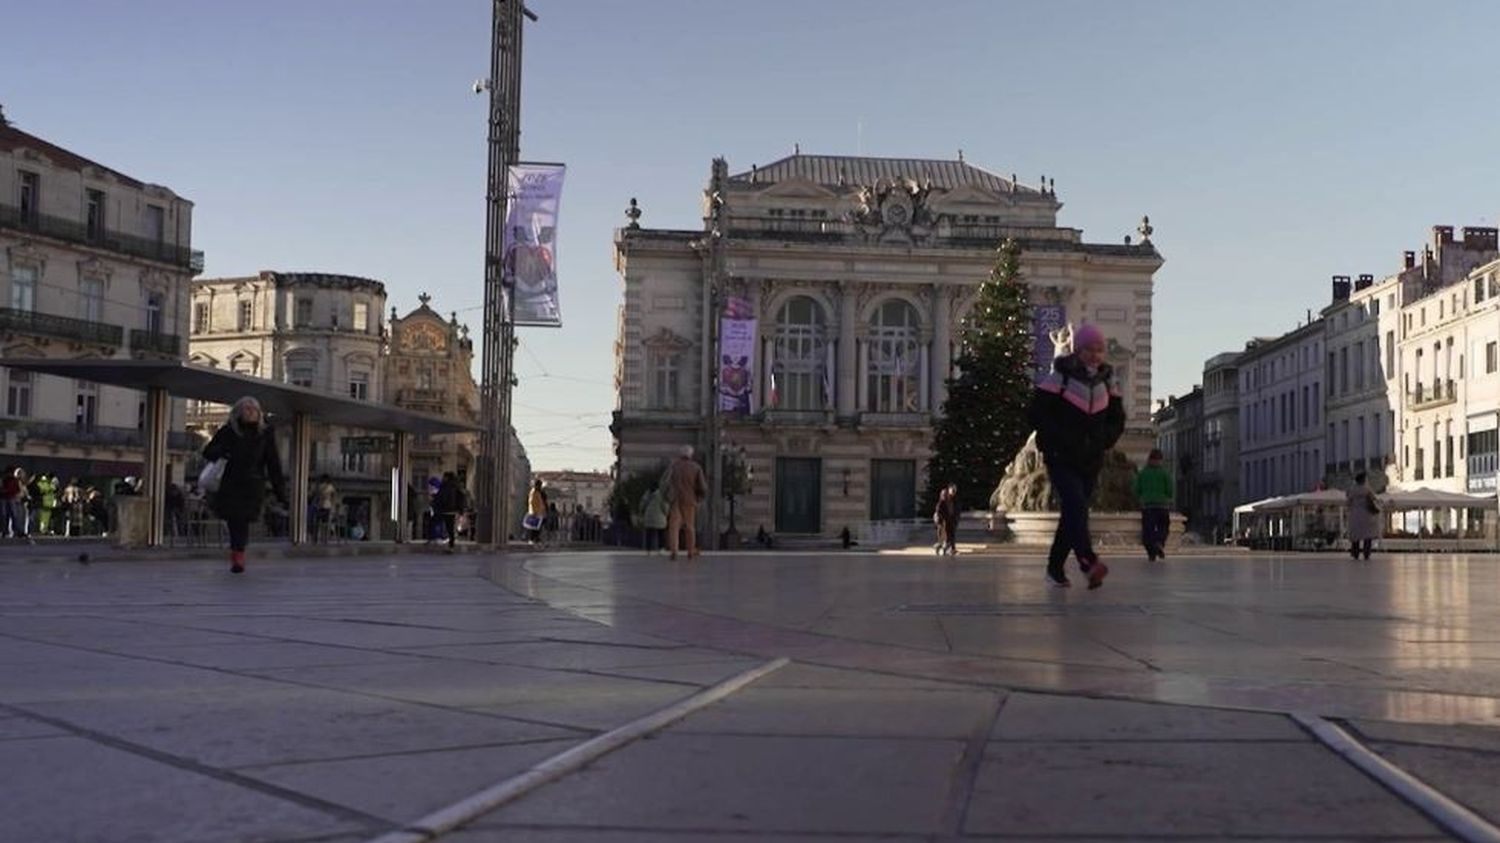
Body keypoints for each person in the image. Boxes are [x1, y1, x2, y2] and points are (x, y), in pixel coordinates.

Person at [1029, 323, 1125, 589]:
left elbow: (1117, 418)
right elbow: (1037, 412)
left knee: (1073, 512)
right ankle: (1087, 561)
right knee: (1076, 505)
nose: (1095, 355)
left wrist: (1105, 439)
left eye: (1099, 350)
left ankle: (1054, 569)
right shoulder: (1060, 377)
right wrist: (1057, 439)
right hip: (1061, 456)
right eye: (1089, 349)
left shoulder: (1108, 381)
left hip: (1091, 458)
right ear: (1077, 350)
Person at [202, 396, 287, 574]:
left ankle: (238, 552)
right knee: (235, 519)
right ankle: (238, 554)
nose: (250, 412)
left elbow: (273, 463)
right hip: (231, 483)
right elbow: (208, 452)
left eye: (254, 409)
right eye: (246, 409)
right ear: (238, 412)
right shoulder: (228, 431)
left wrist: (281, 493)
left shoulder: (265, 433)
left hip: (253, 485)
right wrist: (223, 451)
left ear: (259, 413)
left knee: (243, 520)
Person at [663, 445, 708, 560]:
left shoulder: (674, 466)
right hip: (690, 500)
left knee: (674, 527)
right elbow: (702, 486)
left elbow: (666, 482)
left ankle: (674, 551)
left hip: (676, 499)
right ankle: (690, 550)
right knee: (690, 526)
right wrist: (699, 498)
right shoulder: (696, 467)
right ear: (691, 455)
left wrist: (667, 496)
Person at [1134, 449, 1175, 561]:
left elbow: (1136, 489)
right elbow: (1170, 489)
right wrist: (1168, 498)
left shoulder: (1143, 473)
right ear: (1160, 460)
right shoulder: (1165, 473)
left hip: (1148, 506)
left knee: (1148, 530)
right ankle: (1159, 543)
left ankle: (1151, 553)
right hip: (1162, 505)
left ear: (1149, 459)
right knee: (1163, 527)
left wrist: (1140, 499)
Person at [1346, 472, 1382, 561]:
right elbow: (1374, 499)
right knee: (1367, 536)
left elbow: (1348, 502)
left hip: (1355, 515)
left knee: (1356, 536)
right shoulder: (1367, 489)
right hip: (1366, 515)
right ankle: (1366, 553)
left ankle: (1355, 553)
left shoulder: (1352, 490)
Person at [433, 471, 468, 551]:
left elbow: (441, 498)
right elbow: (461, 499)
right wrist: (460, 510)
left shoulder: (445, 487)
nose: (443, 478)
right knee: (450, 528)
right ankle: (450, 545)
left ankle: (449, 544)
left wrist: (436, 504)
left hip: (445, 510)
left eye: (444, 477)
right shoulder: (456, 487)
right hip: (452, 511)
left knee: (447, 527)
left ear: (447, 478)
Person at [638, 482, 669, 555]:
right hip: (660, 517)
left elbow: (642, 505)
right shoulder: (661, 495)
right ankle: (661, 548)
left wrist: (642, 513)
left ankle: (648, 549)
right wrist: (666, 514)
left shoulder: (646, 495)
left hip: (648, 517)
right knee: (661, 534)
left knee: (649, 534)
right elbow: (665, 506)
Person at [2, 466, 30, 542]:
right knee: (12, 516)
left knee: (15, 516)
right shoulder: (11, 480)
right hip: (12, 499)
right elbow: (18, 490)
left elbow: (20, 490)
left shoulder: (15, 481)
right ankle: (11, 531)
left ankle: (16, 531)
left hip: (14, 499)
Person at [934, 483, 959, 556]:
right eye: (952, 490)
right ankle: (944, 547)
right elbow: (938, 510)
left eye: (955, 491)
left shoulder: (954, 499)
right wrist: (939, 518)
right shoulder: (943, 501)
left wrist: (955, 518)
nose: (953, 492)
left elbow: (956, 509)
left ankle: (951, 548)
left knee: (951, 533)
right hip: (943, 520)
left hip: (950, 519)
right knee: (945, 533)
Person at [313, 475, 338, 543]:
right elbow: (334, 496)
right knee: (325, 524)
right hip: (326, 506)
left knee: (318, 523)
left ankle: (317, 538)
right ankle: (324, 539)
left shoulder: (321, 486)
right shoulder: (330, 487)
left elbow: (317, 495)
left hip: (322, 506)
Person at [525, 479, 546, 545]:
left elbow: (540, 502)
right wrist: (534, 511)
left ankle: (536, 538)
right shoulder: (533, 492)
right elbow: (531, 502)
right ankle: (532, 539)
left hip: (539, 512)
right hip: (535, 512)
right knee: (533, 527)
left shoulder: (538, 492)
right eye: (539, 485)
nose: (540, 486)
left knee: (537, 527)